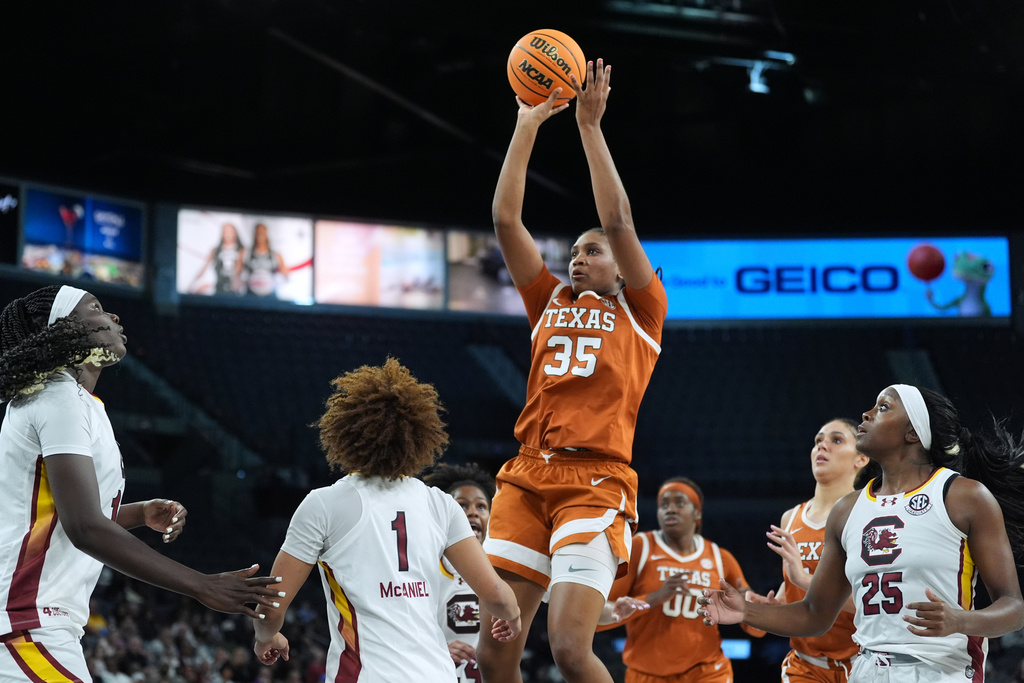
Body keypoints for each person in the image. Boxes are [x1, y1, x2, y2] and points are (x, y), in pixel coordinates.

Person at [477, 57, 669, 683]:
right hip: (528, 473)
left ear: (625, 267)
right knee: (498, 641)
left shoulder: (643, 310)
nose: (580, 257)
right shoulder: (549, 300)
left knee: (566, 647)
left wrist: (589, 127)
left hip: (595, 480)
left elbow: (618, 220)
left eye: (593, 252)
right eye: (576, 250)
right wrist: (527, 124)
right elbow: (507, 221)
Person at [0, 285, 283, 682]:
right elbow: (84, 528)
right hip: (23, 625)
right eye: (96, 309)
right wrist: (202, 585)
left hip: (40, 626)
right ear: (63, 329)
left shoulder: (78, 402)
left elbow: (60, 517)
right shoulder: (56, 396)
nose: (114, 317)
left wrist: (134, 512)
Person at [699, 384, 1024, 682]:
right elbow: (815, 614)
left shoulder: (963, 496)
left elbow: (1014, 608)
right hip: (866, 669)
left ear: (912, 432)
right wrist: (745, 611)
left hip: (941, 670)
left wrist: (961, 621)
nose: (866, 414)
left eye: (883, 407)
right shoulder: (847, 509)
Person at [252, 359, 521, 681]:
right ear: (419, 436)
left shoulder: (323, 504)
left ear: (345, 432)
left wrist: (266, 636)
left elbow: (272, 605)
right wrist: (513, 616)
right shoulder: (441, 504)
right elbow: (496, 595)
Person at [598, 477, 764, 682]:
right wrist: (654, 598)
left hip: (708, 671)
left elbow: (755, 630)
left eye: (680, 503)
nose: (671, 509)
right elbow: (597, 617)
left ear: (698, 513)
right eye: (664, 505)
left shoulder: (720, 558)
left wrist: (758, 611)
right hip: (648, 674)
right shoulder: (641, 547)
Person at [752, 418, 873, 682]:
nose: (822, 446)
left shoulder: (870, 516)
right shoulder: (791, 518)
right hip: (806, 666)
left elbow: (874, 604)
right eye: (818, 441)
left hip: (864, 663)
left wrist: (805, 580)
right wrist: (769, 607)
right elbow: (790, 595)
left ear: (861, 458)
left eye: (836, 440)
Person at [423, 461, 498, 682]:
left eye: (481, 506)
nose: (472, 512)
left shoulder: (506, 569)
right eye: (462, 506)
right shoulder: (423, 567)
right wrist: (438, 651)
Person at [189, 222, 245, 295]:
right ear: (222, 233)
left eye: (230, 231)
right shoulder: (215, 250)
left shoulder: (242, 250)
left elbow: (241, 270)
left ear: (235, 233)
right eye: (225, 231)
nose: (228, 234)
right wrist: (193, 284)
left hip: (236, 291)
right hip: (218, 289)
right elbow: (204, 268)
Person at [245, 223, 290, 297]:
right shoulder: (246, 253)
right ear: (255, 234)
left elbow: (286, 276)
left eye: (262, 232)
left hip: (270, 297)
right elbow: (236, 277)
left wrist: (276, 281)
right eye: (258, 232)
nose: (260, 234)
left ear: (266, 234)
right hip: (250, 296)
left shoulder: (276, 255)